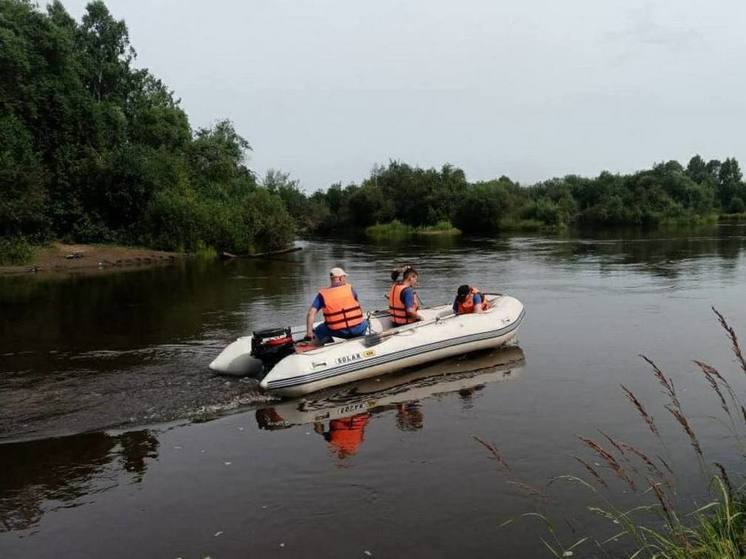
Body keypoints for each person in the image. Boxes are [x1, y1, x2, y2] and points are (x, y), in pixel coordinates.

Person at [305, 267, 369, 343]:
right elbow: (359, 307)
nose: (345, 279)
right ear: (340, 278)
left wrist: (309, 332)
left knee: (318, 330)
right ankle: (361, 338)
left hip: (338, 332)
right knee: (366, 322)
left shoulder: (322, 295)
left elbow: (311, 313)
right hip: (357, 329)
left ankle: (328, 344)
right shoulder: (350, 289)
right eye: (344, 277)